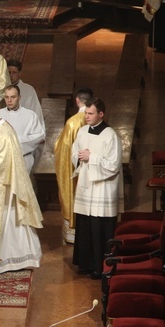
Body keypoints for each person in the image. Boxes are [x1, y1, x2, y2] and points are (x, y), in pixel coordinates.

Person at [0, 104, 43, 274]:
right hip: (2, 186)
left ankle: (4, 258)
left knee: (7, 223)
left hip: (3, 189)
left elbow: (0, 163)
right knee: (11, 224)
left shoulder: (4, 134)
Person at [71, 98, 123, 279]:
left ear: (101, 114)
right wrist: (78, 156)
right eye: (85, 113)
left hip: (102, 187)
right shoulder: (83, 131)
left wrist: (91, 157)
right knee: (85, 223)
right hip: (86, 184)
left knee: (99, 226)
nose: (86, 116)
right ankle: (85, 264)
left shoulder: (111, 135)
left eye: (90, 113)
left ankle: (101, 266)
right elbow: (74, 152)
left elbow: (114, 165)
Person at [54, 87, 94, 244]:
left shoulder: (73, 122)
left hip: (74, 170)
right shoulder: (97, 118)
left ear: (77, 100)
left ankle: (73, 232)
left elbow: (63, 149)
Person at [0, 85, 45, 174]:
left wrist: (16, 140)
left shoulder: (30, 115)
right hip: (3, 158)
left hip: (23, 158)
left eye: (13, 97)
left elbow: (39, 136)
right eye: (7, 97)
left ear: (19, 97)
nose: (9, 100)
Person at [7, 59, 44, 127]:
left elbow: (36, 111)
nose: (11, 75)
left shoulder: (29, 90)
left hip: (23, 126)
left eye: (14, 72)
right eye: (9, 72)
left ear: (20, 73)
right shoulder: (1, 88)